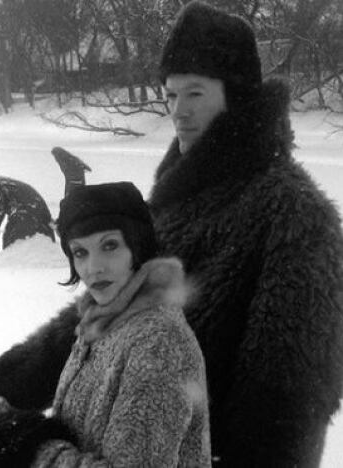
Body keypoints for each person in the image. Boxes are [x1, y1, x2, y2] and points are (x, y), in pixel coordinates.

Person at [150, 2, 343, 467]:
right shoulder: (179, 195)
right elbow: (116, 305)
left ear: (235, 95)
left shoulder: (294, 213)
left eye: (194, 93)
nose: (178, 111)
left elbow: (287, 402)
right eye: (171, 95)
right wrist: (17, 377)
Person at [0, 182, 211, 467]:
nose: (93, 267)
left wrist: (33, 449)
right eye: (80, 252)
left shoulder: (158, 342)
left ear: (138, 247)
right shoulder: (101, 323)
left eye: (109, 246)